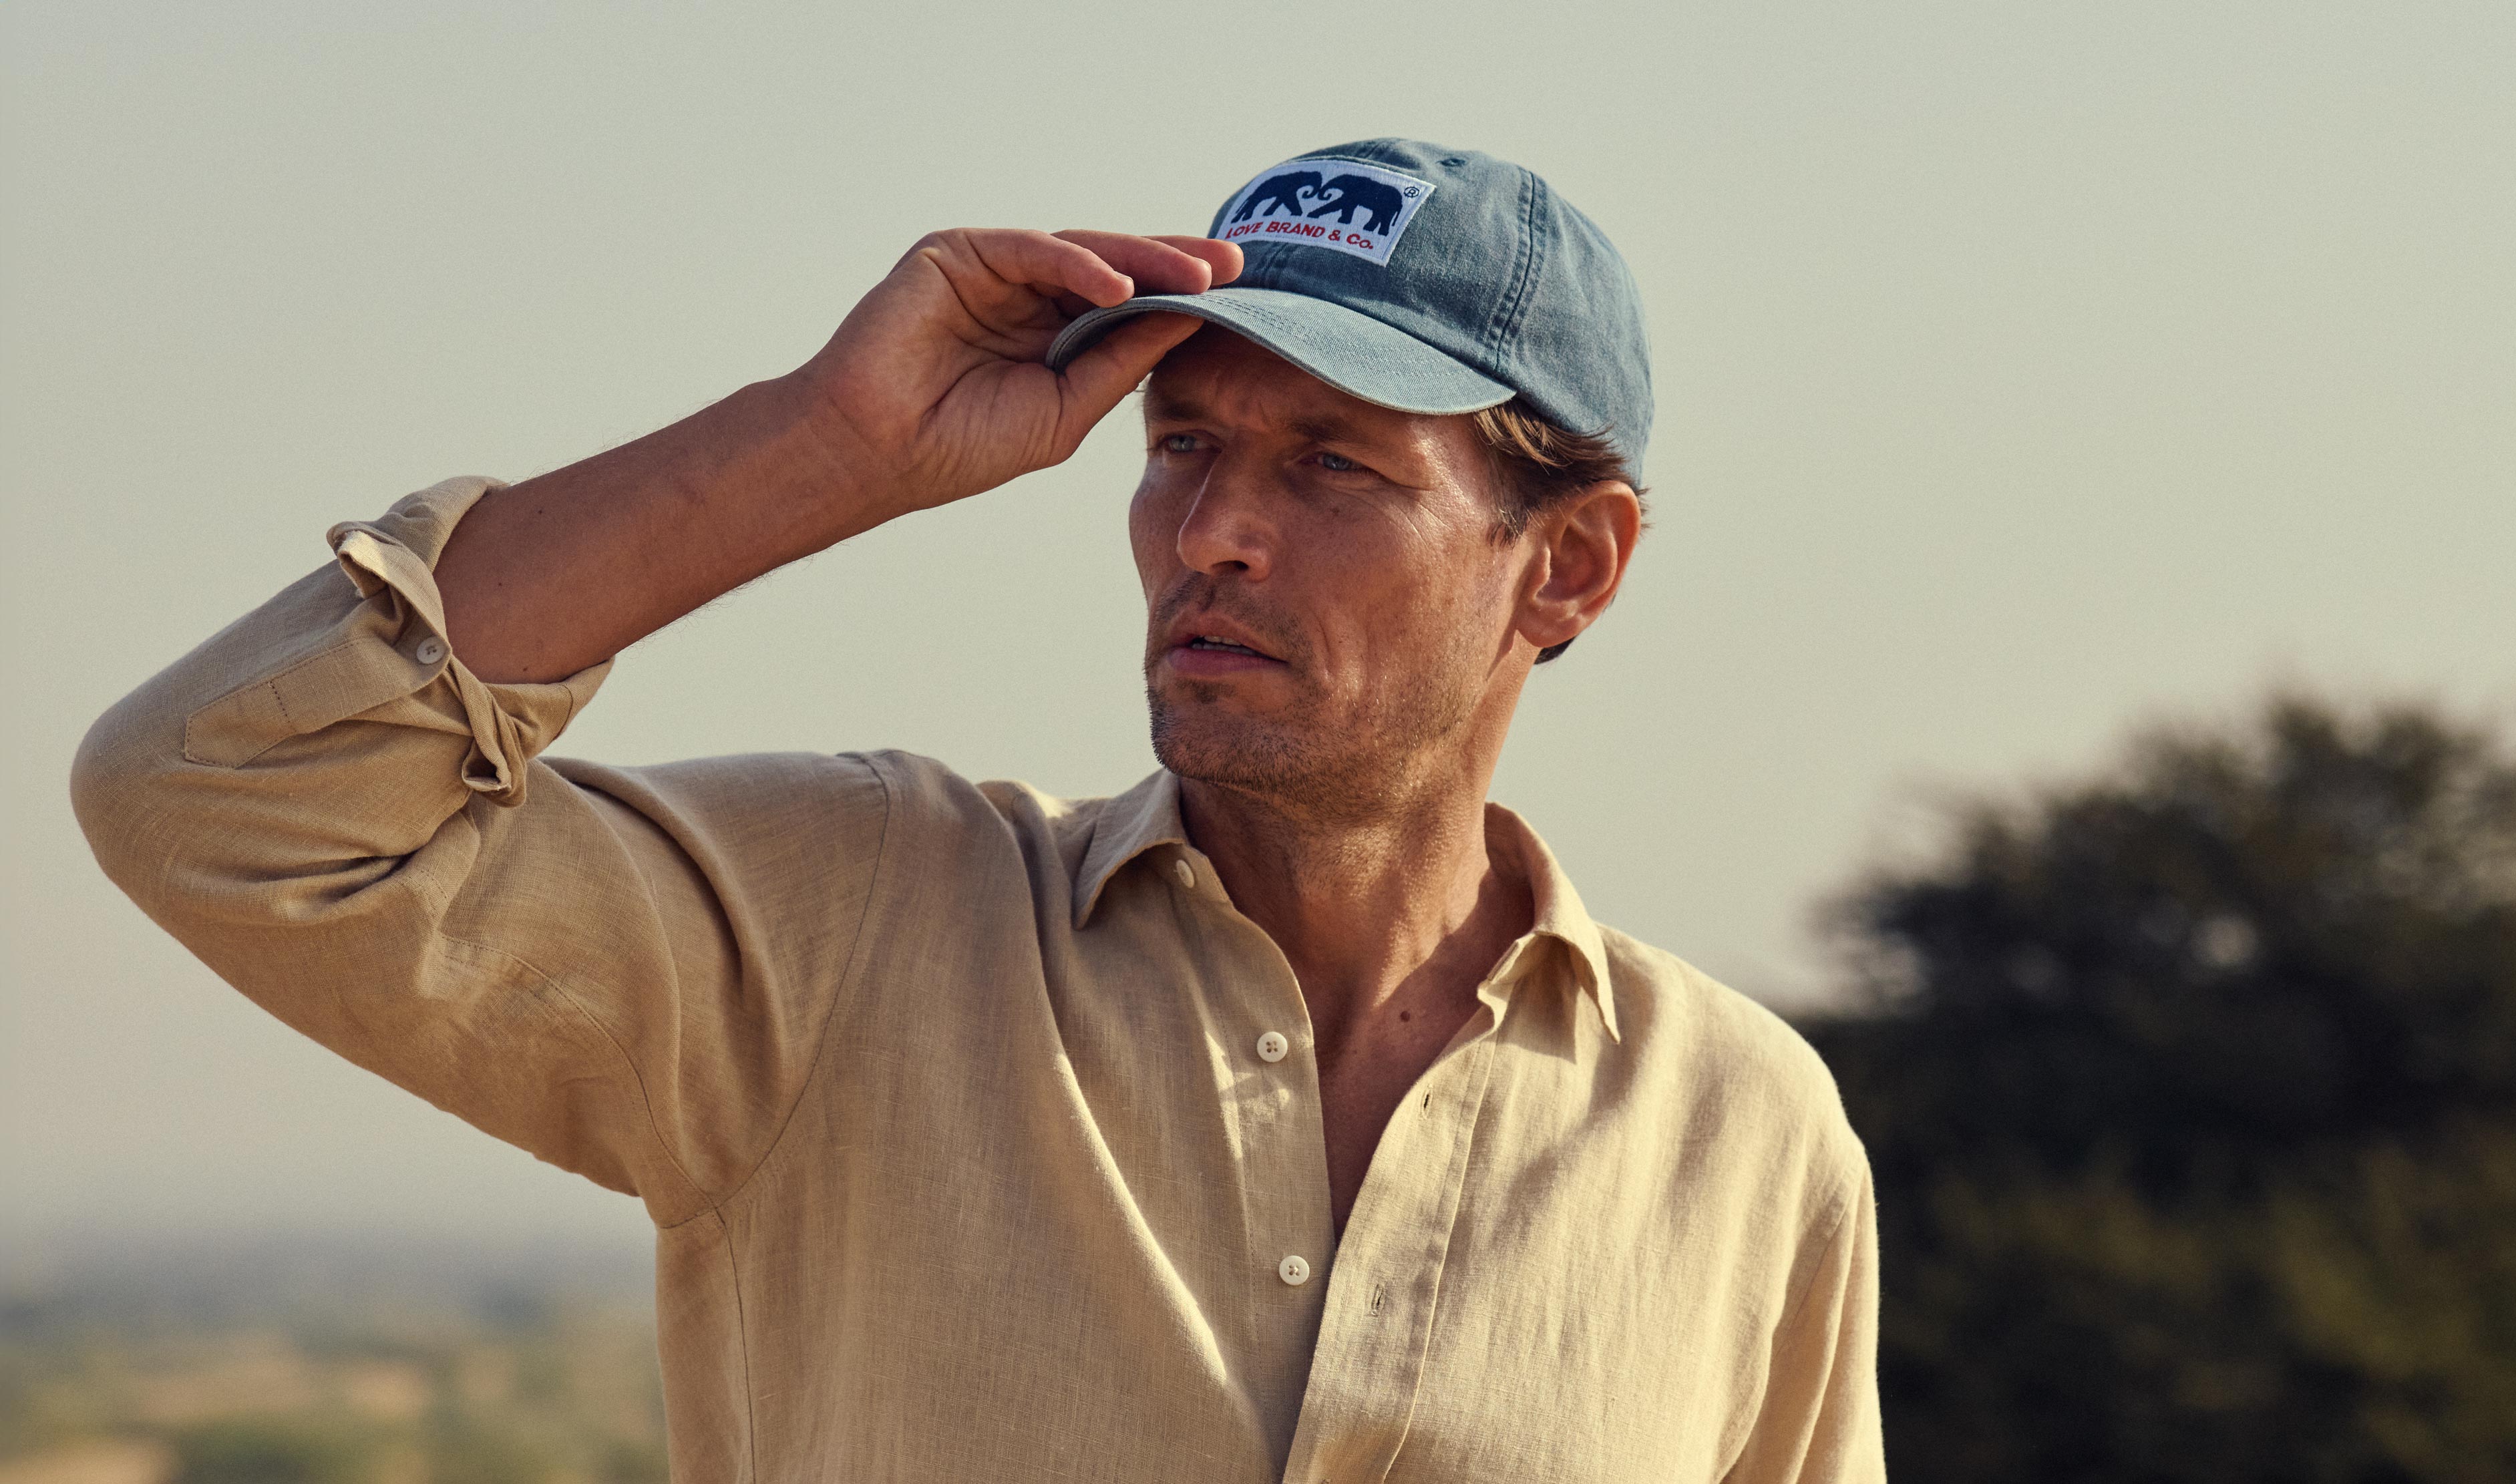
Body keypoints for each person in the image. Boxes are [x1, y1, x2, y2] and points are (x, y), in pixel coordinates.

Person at [73, 139, 1881, 1482]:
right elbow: (224, 792)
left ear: (1569, 566)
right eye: (1183, 446)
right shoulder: (856, 923)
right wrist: (828, 442)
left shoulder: (1741, 1133)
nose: (1211, 533)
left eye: (1332, 466)